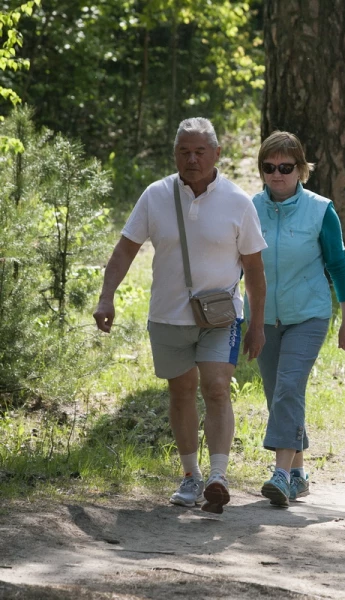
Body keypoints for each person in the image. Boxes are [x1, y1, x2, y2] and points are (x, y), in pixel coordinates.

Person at [93, 117, 268, 514]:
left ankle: (219, 476)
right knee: (181, 392)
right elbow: (124, 251)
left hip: (221, 316)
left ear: (217, 154)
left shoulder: (238, 202)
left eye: (200, 151)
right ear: (174, 154)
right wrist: (107, 298)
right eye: (183, 151)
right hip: (168, 316)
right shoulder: (155, 196)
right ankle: (190, 477)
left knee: (217, 387)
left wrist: (256, 325)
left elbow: (255, 270)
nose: (192, 159)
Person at [249, 131, 345, 507]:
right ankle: (298, 473)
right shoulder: (249, 209)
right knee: (277, 394)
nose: (277, 174)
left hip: (309, 315)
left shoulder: (320, 209)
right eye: (269, 167)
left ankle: (279, 475)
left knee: (288, 387)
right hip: (263, 317)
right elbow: (237, 264)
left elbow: (339, 265)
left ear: (301, 169)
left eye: (286, 167)